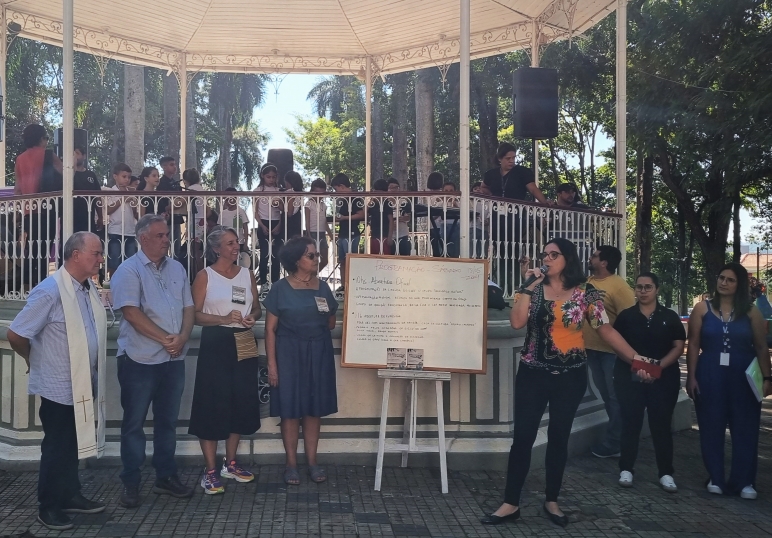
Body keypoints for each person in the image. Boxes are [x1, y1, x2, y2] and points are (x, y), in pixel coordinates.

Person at [481, 238, 637, 528]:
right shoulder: (534, 289)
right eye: (545, 254)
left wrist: (635, 358)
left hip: (570, 376)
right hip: (533, 373)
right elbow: (516, 323)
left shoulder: (587, 293)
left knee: (559, 438)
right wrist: (527, 286)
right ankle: (510, 503)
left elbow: (605, 329)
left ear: (568, 259)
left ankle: (552, 500)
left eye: (554, 254)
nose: (548, 259)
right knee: (523, 439)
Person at [7, 232, 107, 531]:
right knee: (57, 447)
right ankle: (48, 505)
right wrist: (32, 359)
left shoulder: (84, 287)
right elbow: (17, 333)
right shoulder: (50, 290)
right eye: (96, 253)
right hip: (57, 385)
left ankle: (70, 494)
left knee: (72, 444)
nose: (101, 259)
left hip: (81, 381)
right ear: (75, 255)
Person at [111, 214, 196, 508]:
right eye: (159, 235)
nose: (166, 239)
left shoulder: (177, 267)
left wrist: (183, 336)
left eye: (166, 235)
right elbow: (131, 314)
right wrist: (166, 339)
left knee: (167, 422)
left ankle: (165, 477)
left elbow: (189, 307)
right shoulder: (128, 271)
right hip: (139, 359)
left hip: (173, 359)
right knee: (133, 424)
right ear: (143, 238)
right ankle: (131, 483)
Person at [686, 263, 772, 499]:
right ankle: (715, 476)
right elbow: (693, 344)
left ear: (739, 285)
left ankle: (745, 481)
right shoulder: (701, 309)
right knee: (711, 425)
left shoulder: (752, 312)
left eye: (730, 280)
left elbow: (762, 346)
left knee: (745, 427)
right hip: (710, 373)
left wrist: (767, 378)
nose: (724, 283)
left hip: (743, 376)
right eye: (721, 278)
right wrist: (691, 377)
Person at [189, 226, 262, 494]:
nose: (236, 247)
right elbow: (194, 314)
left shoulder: (246, 274)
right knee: (211, 401)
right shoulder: (204, 276)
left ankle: (230, 463)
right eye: (230, 243)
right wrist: (222, 319)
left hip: (244, 338)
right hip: (216, 340)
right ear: (216, 248)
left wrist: (253, 315)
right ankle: (209, 470)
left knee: (241, 399)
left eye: (237, 242)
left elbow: (256, 306)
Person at [264, 236, 338, 485]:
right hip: (288, 353)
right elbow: (269, 330)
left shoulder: (323, 287)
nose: (317, 259)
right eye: (312, 255)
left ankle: (313, 462)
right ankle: (291, 464)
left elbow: (330, 321)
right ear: (297, 260)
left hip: (318, 351)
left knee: (313, 410)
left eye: (317, 255)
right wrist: (272, 365)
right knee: (290, 410)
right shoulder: (280, 288)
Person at [613, 272, 686, 492]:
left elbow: (678, 346)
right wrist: (640, 367)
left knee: (661, 425)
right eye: (639, 287)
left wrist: (658, 367)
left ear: (657, 289)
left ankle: (665, 472)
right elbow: (617, 345)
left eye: (648, 287)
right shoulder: (626, 316)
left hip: (663, 379)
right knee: (630, 423)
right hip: (629, 377)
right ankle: (626, 468)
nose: (643, 291)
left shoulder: (669, 316)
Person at [584, 245, 636, 459]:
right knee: (607, 397)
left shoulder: (620, 287)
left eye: (594, 255)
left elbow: (631, 320)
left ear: (604, 262)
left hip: (611, 353)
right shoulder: (587, 283)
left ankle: (616, 443)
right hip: (592, 351)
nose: (590, 257)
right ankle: (617, 439)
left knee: (615, 398)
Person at [483, 143, 551, 292]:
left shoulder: (521, 172)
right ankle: (500, 284)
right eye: (508, 158)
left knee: (513, 249)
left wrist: (545, 203)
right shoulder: (491, 174)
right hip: (497, 218)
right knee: (498, 249)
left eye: (514, 157)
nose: (512, 161)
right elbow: (484, 188)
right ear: (500, 159)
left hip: (516, 218)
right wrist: (490, 197)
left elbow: (532, 188)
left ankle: (513, 284)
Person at [15, 125, 62, 284]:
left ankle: (26, 281)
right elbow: (67, 174)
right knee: (45, 247)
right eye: (46, 138)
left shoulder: (20, 159)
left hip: (29, 209)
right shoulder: (49, 155)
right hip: (46, 208)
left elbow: (18, 189)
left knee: (32, 246)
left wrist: (17, 213)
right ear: (41, 138)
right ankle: (42, 282)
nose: (47, 141)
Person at [330, 173, 364, 289]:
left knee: (350, 262)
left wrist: (344, 218)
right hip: (344, 233)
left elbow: (361, 214)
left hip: (352, 233)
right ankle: (344, 285)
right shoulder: (344, 200)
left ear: (342, 186)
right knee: (343, 261)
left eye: (336, 189)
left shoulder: (354, 198)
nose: (336, 192)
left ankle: (351, 286)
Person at [106, 163, 139, 276]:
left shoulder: (131, 192)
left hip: (130, 231)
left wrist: (133, 204)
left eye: (129, 177)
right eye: (124, 177)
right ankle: (112, 284)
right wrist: (123, 198)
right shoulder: (111, 192)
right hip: (115, 231)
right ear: (115, 176)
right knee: (114, 261)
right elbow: (107, 210)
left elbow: (135, 214)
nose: (127, 180)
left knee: (130, 261)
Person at [254, 163, 284, 285]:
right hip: (263, 223)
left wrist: (279, 225)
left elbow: (283, 210)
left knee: (276, 255)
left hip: (277, 222)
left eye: (273, 177)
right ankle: (263, 281)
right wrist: (262, 225)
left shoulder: (279, 190)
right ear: (262, 176)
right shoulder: (257, 191)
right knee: (264, 254)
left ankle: (275, 281)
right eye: (268, 177)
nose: (271, 180)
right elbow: (255, 212)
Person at [157, 156, 185, 261]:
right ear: (164, 166)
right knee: (164, 244)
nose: (175, 167)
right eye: (171, 165)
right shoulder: (161, 183)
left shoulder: (176, 183)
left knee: (176, 246)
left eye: (175, 164)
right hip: (166, 219)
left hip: (176, 217)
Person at [183, 168, 209, 279]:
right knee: (199, 250)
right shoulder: (201, 189)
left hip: (195, 222)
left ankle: (198, 274)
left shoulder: (190, 190)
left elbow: (182, 205)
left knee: (194, 250)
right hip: (202, 222)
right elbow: (207, 210)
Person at [72, 146, 102, 234]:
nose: (74, 156)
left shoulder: (91, 175)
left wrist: (100, 217)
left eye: (77, 153)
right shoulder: (67, 175)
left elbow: (98, 197)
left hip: (88, 217)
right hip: (71, 217)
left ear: (84, 156)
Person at [304, 179, 332, 271]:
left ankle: (312, 275)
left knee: (325, 260)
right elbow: (307, 220)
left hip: (322, 233)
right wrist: (308, 235)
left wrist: (331, 234)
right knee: (311, 259)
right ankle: (310, 276)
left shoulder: (323, 205)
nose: (319, 196)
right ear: (312, 191)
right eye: (317, 193)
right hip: (312, 233)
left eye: (321, 193)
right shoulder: (309, 204)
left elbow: (324, 220)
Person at [219, 187, 251, 251]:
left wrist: (245, 243)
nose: (228, 202)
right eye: (226, 199)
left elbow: (245, 227)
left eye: (230, 199)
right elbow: (219, 229)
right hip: (226, 242)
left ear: (236, 198)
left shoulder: (241, 211)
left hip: (239, 242)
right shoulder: (222, 213)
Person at [387, 177, 412, 256]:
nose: (394, 190)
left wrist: (404, 218)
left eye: (396, 187)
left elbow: (409, 217)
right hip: (389, 235)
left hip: (403, 234)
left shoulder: (403, 201)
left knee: (405, 257)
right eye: (391, 187)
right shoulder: (384, 202)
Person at [368, 178, 394, 255]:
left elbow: (391, 220)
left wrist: (390, 237)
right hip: (374, 234)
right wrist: (371, 200)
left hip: (384, 235)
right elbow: (364, 212)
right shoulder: (373, 204)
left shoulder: (387, 204)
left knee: (384, 257)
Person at [284, 171, 304, 239]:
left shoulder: (290, 192)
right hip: (297, 220)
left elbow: (289, 213)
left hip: (290, 222)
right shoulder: (299, 194)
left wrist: (279, 205)